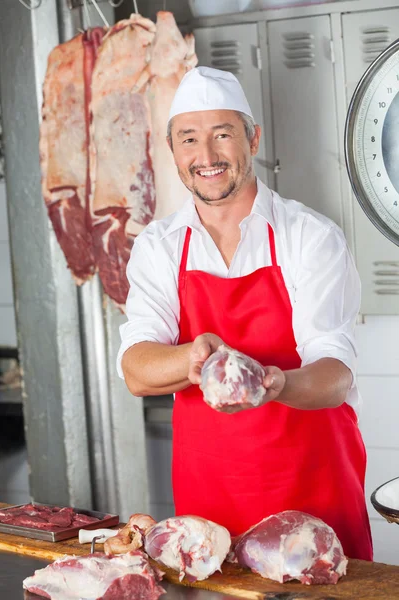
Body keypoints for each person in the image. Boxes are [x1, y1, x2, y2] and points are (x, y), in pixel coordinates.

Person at [117, 66, 372, 561]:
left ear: (252, 138)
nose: (206, 156)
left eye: (222, 135)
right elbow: (136, 370)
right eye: (189, 139)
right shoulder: (160, 247)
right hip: (212, 502)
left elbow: (335, 374)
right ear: (173, 151)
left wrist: (273, 383)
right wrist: (192, 357)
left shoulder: (310, 236)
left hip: (314, 491)